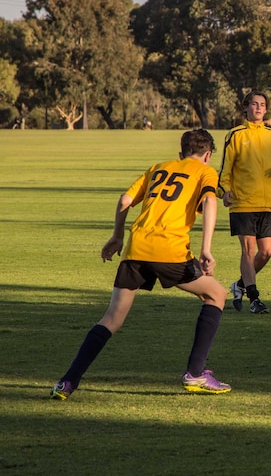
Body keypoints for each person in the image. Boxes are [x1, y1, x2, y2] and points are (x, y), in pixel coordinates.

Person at [51, 129, 230, 400]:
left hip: (136, 249)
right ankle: (195, 374)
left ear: (181, 153)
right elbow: (209, 200)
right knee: (216, 294)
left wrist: (117, 236)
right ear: (207, 155)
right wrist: (206, 249)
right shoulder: (206, 172)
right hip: (169, 250)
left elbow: (125, 200)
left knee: (111, 319)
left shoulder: (158, 168)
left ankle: (67, 382)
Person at [218, 91, 271, 314]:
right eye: (254, 104)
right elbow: (225, 167)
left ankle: (239, 285)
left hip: (266, 202)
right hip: (242, 202)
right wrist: (225, 191)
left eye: (262, 105)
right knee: (248, 251)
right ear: (246, 107)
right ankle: (254, 298)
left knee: (267, 252)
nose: (258, 108)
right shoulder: (236, 134)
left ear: (266, 109)